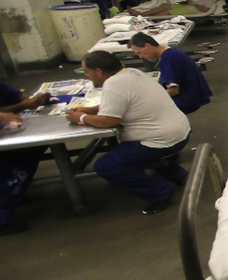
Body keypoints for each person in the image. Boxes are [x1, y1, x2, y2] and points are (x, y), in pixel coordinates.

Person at [66, 51, 191, 215]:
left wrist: (81, 117)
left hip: (161, 140)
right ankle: (176, 174)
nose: (87, 76)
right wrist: (90, 110)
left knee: (106, 166)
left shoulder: (113, 84)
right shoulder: (132, 73)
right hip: (180, 131)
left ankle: (161, 192)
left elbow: (109, 122)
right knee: (130, 150)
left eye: (87, 72)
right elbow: (120, 102)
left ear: (98, 71)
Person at [0, 55, 51, 234]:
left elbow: (18, 95)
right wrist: (1, 115)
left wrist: (34, 100)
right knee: (16, 171)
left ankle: (15, 193)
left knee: (31, 151)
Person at [128, 32, 212, 114]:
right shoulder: (171, 52)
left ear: (147, 46)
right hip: (192, 95)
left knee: (140, 112)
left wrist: (150, 101)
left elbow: (173, 90)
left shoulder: (168, 57)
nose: (140, 56)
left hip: (186, 99)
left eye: (139, 52)